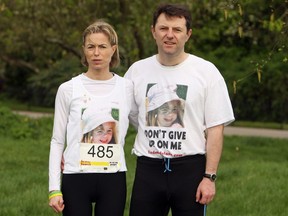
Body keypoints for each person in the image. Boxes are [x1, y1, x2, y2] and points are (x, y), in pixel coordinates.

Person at [125, 3, 235, 216]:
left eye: (177, 30)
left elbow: (215, 129)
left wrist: (209, 177)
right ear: (153, 32)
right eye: (163, 28)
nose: (170, 35)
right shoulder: (136, 72)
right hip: (148, 170)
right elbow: (125, 117)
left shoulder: (207, 72)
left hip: (190, 171)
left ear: (188, 34)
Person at [48, 20, 134, 216]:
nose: (96, 53)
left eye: (102, 47)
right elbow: (57, 141)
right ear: (84, 50)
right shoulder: (68, 89)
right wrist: (54, 188)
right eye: (91, 47)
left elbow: (142, 123)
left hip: (113, 179)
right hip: (75, 178)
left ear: (113, 50)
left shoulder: (127, 88)